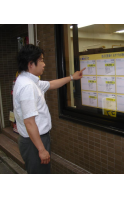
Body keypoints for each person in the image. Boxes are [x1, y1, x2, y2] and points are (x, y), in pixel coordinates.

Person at [13, 44, 85, 174]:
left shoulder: (28, 80)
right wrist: (41, 149)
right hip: (34, 141)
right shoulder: (28, 86)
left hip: (34, 139)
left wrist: (72, 77)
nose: (44, 64)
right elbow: (29, 122)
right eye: (41, 60)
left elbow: (51, 84)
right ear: (31, 64)